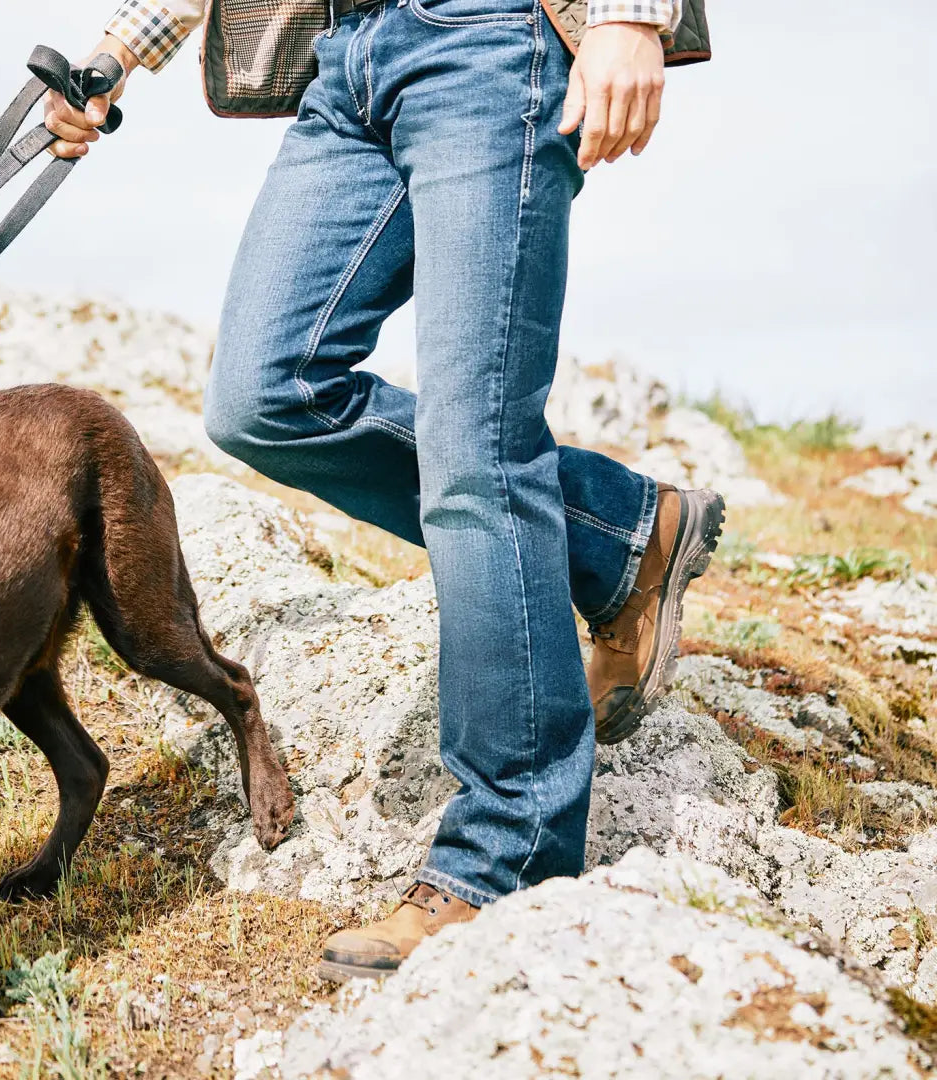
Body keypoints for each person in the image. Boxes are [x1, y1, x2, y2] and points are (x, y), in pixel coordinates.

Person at [47, 0, 721, 980]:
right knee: (262, 395)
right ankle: (620, 533)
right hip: (350, 53)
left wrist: (628, 15)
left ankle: (508, 858)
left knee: (476, 450)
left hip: (495, 40)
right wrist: (118, 52)